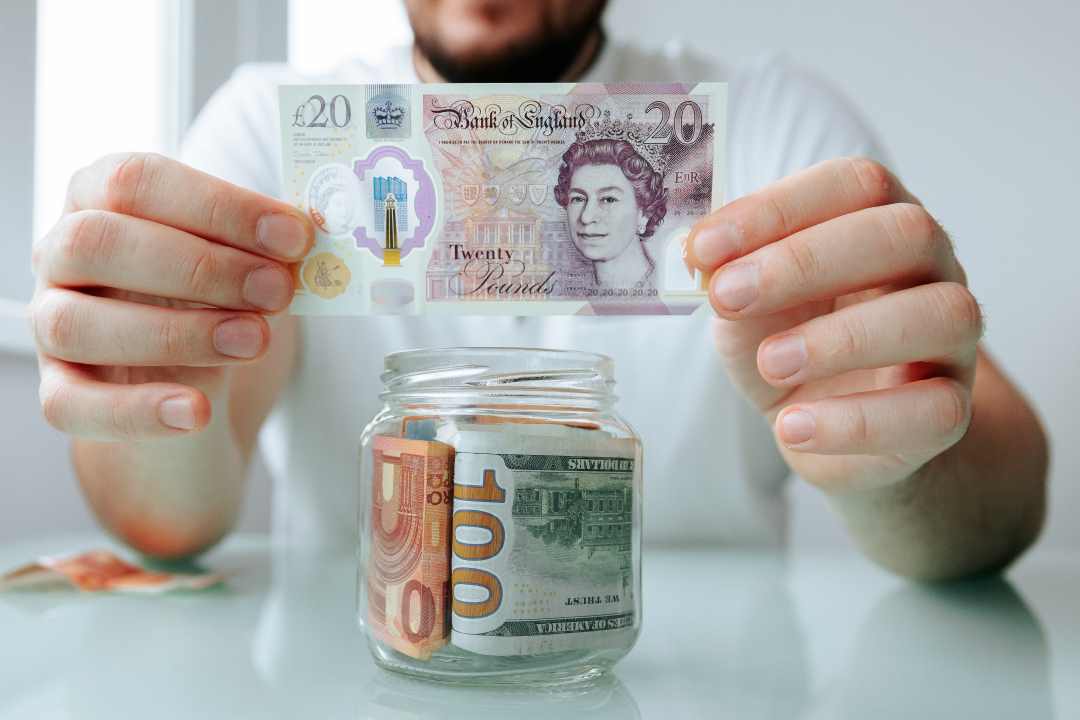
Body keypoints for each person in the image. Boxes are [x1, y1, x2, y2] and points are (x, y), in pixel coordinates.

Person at [28, 0, 1048, 580]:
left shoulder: (769, 126)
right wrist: (149, 395)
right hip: (378, 662)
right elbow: (166, 522)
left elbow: (998, 503)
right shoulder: (265, 131)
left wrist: (895, 454)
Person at [554, 138, 666, 291]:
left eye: (608, 199)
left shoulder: (670, 291)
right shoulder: (569, 298)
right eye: (578, 199)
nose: (586, 217)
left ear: (645, 213)